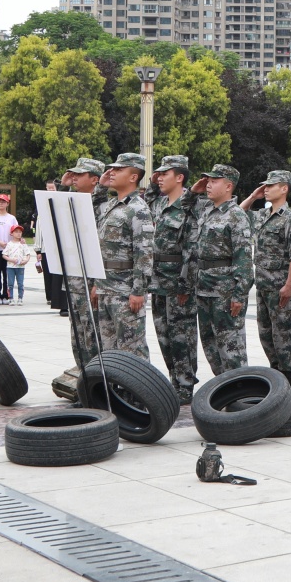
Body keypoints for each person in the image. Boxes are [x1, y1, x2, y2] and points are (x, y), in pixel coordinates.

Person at [189, 164, 254, 381]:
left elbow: (243, 258)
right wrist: (193, 190)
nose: (208, 184)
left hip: (225, 292)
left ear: (228, 186)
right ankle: (225, 388)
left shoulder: (236, 215)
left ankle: (242, 393)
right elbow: (182, 206)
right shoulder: (207, 209)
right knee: (210, 345)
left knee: (231, 347)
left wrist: (239, 294)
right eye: (207, 180)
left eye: (214, 181)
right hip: (204, 288)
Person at [148, 155, 205, 403]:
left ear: (179, 177)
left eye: (165, 174)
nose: (160, 178)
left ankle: (186, 383)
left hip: (178, 281)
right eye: (158, 174)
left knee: (182, 334)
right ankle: (174, 378)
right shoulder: (159, 205)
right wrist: (152, 183)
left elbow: (192, 250)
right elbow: (148, 199)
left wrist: (186, 284)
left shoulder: (190, 206)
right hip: (157, 279)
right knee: (163, 334)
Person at [247, 170, 291, 392]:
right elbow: (238, 214)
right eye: (265, 185)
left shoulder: (290, 219)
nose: (266, 189)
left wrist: (289, 284)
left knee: (282, 331)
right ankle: (275, 370)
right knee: (265, 332)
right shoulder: (263, 215)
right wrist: (253, 197)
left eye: (271, 185)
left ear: (284, 188)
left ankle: (288, 375)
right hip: (262, 284)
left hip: (280, 284)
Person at [93, 154, 155, 360]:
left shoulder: (138, 209)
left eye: (119, 170)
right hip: (106, 287)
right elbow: (91, 212)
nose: (112, 173)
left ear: (133, 177)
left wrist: (138, 290)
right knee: (109, 353)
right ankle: (114, 392)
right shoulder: (111, 205)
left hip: (125, 292)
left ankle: (140, 392)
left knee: (132, 352)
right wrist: (97, 283)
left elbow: (144, 253)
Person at [2, 229, 32, 305]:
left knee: (20, 283)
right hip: (11, 267)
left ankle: (20, 298)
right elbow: (4, 255)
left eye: (20, 232)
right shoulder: (9, 244)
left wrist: (26, 260)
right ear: (12, 233)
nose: (18, 234)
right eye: (16, 232)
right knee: (10, 283)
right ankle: (11, 298)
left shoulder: (23, 243)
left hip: (20, 267)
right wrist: (11, 259)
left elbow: (28, 253)